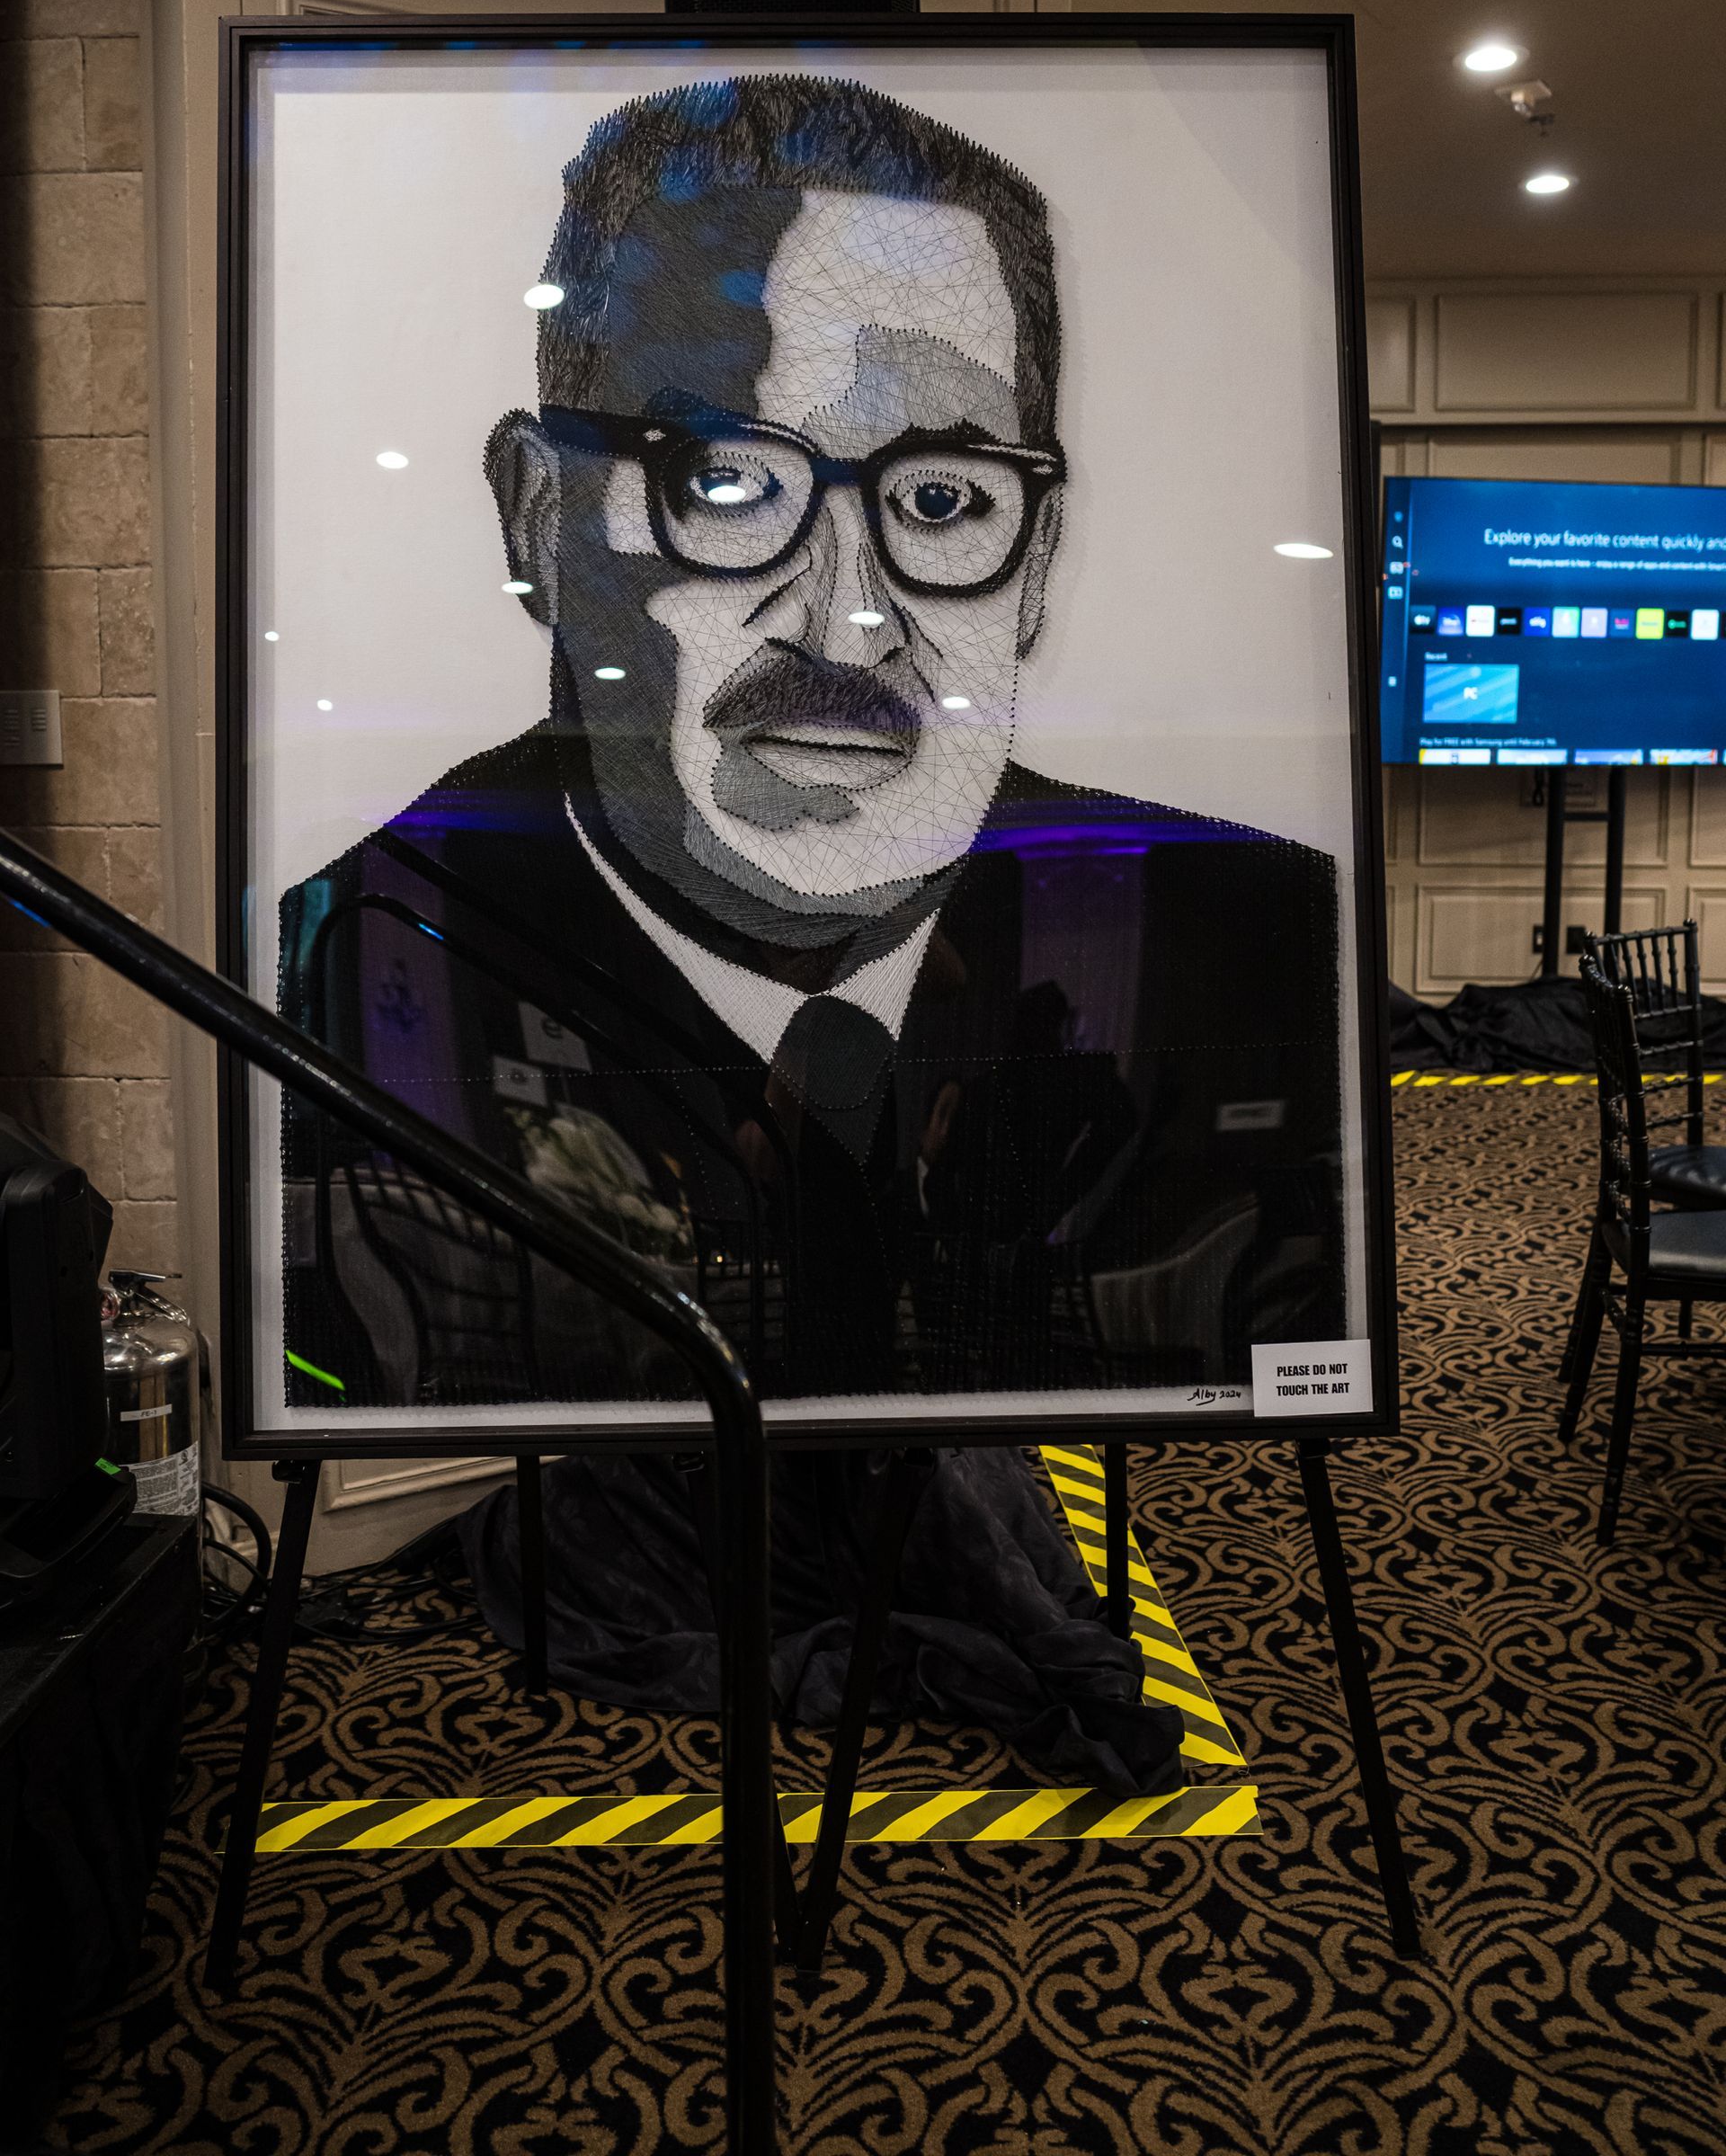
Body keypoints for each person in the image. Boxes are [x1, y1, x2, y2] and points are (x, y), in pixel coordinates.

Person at [279, 72, 1344, 1420]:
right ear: (542, 516)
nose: (850, 624)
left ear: (1034, 567)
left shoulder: (1262, 940)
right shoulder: (337, 961)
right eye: (726, 482)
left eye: (946, 498)